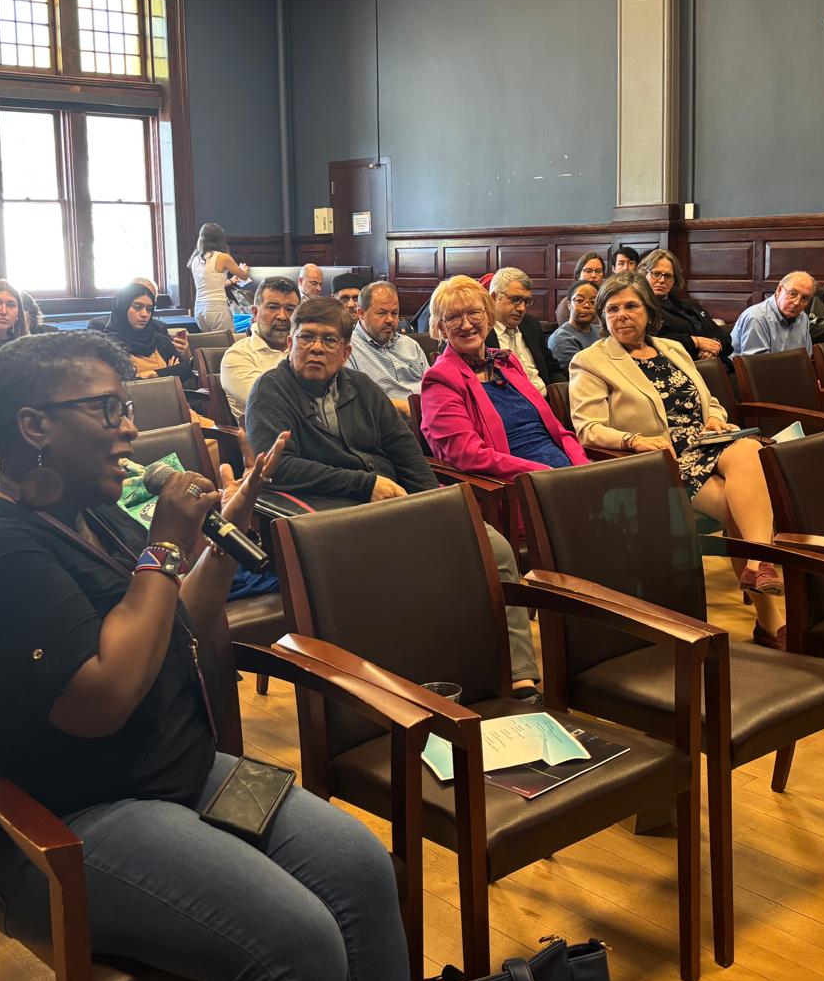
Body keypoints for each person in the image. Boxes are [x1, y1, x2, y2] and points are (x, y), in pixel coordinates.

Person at [0, 331, 407, 981]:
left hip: (181, 771)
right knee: (300, 939)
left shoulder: (94, 513)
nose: (130, 428)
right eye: (108, 409)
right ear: (34, 425)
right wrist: (165, 545)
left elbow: (173, 619)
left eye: (126, 407)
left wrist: (227, 531)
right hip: (66, 818)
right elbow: (101, 700)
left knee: (361, 866)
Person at [245, 297, 540, 693]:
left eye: (329, 340)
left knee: (494, 548)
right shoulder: (270, 391)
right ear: (289, 343)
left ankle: (518, 675)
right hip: (332, 517)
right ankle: (417, 682)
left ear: (346, 352)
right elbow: (279, 468)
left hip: (397, 501)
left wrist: (435, 505)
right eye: (307, 338)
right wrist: (364, 485)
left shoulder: (362, 387)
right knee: (413, 566)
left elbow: (405, 451)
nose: (316, 348)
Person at [570, 274, 787, 647]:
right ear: (604, 316)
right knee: (741, 505)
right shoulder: (590, 361)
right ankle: (769, 615)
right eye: (613, 309)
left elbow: (708, 401)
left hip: (706, 442)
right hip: (659, 459)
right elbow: (588, 429)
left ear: (648, 311)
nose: (622, 315)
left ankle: (757, 567)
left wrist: (715, 418)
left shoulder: (672, 349)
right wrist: (634, 440)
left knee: (749, 449)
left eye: (631, 306)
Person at [422, 275, 587, 477]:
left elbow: (557, 429)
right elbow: (468, 454)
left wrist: (583, 466)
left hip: (565, 473)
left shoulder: (506, 361)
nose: (466, 325)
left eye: (474, 313)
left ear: (488, 317)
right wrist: (545, 474)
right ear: (441, 327)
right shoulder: (440, 379)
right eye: (453, 317)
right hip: (516, 483)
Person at [220, 276, 298, 422]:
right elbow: (272, 403)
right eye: (273, 307)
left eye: (290, 309)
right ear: (255, 313)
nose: (282, 316)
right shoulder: (238, 356)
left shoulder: (305, 350)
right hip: (269, 434)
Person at [344, 280, 426, 417]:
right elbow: (353, 401)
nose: (390, 320)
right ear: (361, 313)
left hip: (430, 414)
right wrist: (404, 407)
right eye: (382, 313)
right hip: (389, 421)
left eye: (394, 313)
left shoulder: (411, 345)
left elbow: (434, 386)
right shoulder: (348, 349)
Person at [637, 248, 732, 364]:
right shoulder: (642, 309)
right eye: (656, 274)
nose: (662, 280)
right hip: (683, 367)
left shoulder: (691, 306)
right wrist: (696, 342)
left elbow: (723, 335)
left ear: (674, 280)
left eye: (668, 276)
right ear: (644, 275)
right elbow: (653, 340)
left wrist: (714, 346)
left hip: (719, 364)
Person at [484, 267, 564, 392]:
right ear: (494, 298)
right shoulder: (480, 333)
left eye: (526, 301)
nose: (522, 308)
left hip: (545, 398)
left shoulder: (531, 325)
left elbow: (552, 368)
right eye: (515, 299)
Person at [101, 283, 193, 383]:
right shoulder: (107, 346)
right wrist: (169, 373)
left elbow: (185, 370)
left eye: (149, 309)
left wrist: (152, 374)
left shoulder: (158, 340)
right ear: (122, 308)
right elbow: (118, 384)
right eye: (137, 307)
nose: (144, 314)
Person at [732, 271, 816, 357]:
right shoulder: (756, 318)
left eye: (804, 298)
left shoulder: (803, 318)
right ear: (779, 290)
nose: (796, 303)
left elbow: (806, 357)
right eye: (793, 294)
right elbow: (756, 363)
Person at [187, 223, 248, 335]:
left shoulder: (195, 258)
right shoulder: (222, 257)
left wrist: (231, 281)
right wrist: (245, 269)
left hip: (199, 310)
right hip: (216, 308)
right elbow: (244, 276)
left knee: (211, 343)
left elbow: (210, 284)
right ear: (220, 239)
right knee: (227, 342)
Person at [547, 278, 601, 372]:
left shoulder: (602, 331)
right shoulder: (562, 338)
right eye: (580, 300)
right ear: (569, 305)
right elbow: (582, 372)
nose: (587, 305)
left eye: (593, 302)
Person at [554, 252, 606, 324]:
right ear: (578, 275)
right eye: (588, 271)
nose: (594, 275)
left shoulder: (607, 300)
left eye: (598, 271)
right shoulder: (566, 304)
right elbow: (566, 329)